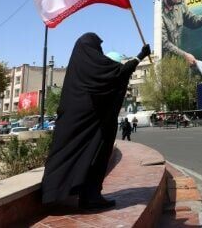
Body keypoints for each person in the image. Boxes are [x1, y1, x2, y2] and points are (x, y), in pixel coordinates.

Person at [41, 33, 151, 210]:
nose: (99, 52)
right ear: (90, 48)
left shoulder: (78, 67)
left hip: (77, 124)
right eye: (98, 48)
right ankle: (89, 196)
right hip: (92, 123)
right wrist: (139, 56)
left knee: (73, 155)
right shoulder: (93, 66)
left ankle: (58, 194)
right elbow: (117, 74)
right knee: (96, 155)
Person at [161, 0, 202, 65]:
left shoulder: (180, 6)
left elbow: (193, 22)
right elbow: (164, 43)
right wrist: (184, 55)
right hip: (165, 61)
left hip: (177, 58)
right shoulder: (159, 13)